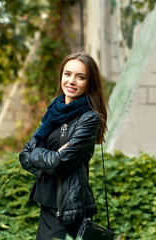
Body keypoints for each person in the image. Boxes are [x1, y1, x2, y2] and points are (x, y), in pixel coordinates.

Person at [19, 52, 108, 240]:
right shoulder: (53, 110)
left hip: (68, 211)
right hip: (48, 204)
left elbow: (60, 162)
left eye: (80, 77)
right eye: (67, 74)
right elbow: (24, 155)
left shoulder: (89, 118)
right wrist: (49, 157)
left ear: (89, 82)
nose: (71, 81)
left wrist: (43, 156)